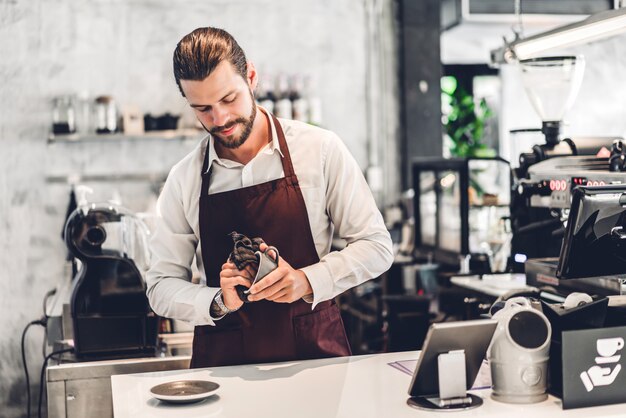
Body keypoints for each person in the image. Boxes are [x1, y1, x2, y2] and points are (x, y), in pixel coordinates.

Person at [146, 27, 393, 368]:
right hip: (225, 372)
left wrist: (307, 280)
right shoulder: (184, 179)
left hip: (314, 361)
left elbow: (377, 246)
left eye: (229, 99)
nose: (220, 119)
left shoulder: (320, 150)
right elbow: (160, 287)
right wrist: (218, 300)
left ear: (251, 77)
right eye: (202, 109)